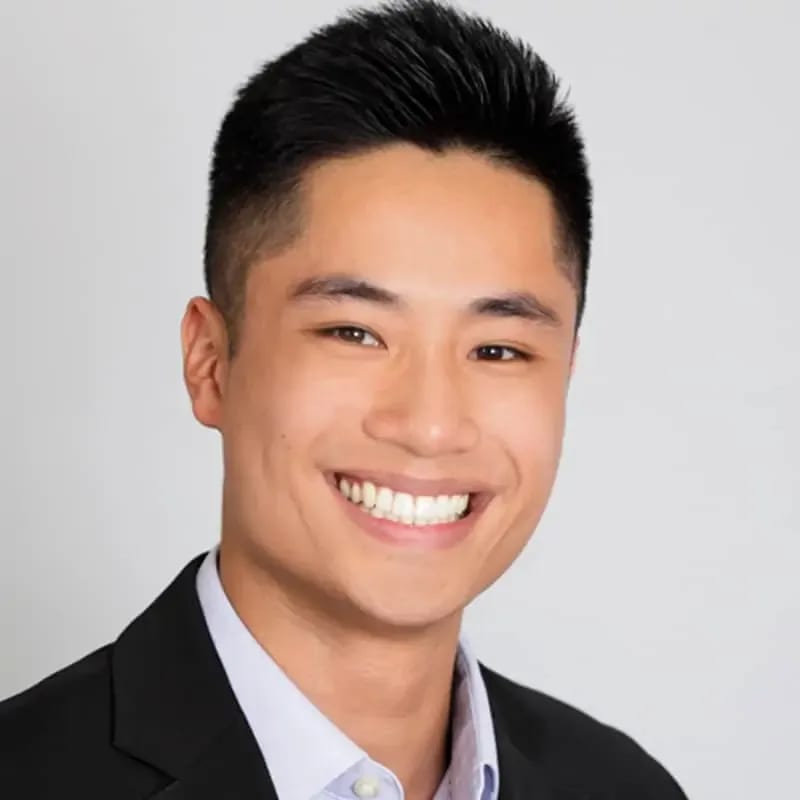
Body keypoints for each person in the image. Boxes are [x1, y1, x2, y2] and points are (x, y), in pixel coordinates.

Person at [0, 1, 689, 797]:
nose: (430, 425)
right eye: (354, 333)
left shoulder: (623, 786)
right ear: (210, 362)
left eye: (498, 349)